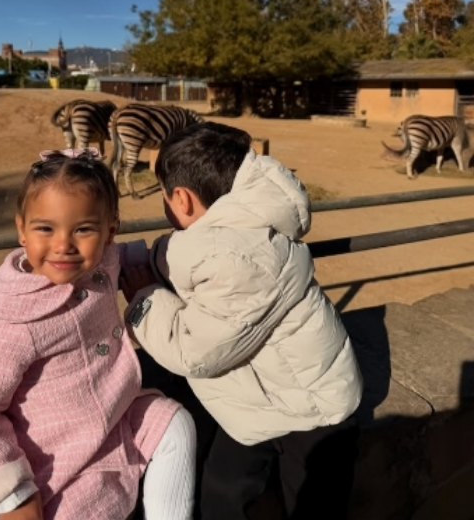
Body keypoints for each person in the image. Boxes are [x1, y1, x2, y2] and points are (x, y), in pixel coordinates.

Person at [121, 122, 363, 520]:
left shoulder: (236, 259)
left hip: (313, 412)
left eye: (164, 195)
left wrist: (143, 299)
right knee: (221, 495)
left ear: (181, 199)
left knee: (312, 507)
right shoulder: (244, 222)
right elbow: (180, 255)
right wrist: (126, 258)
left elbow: (194, 352)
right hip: (263, 400)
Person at [0, 150, 196, 520]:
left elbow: (143, 256)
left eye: (83, 229)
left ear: (110, 230)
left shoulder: (103, 261)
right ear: (22, 229)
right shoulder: (8, 320)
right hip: (61, 467)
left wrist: (201, 252)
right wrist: (12, 497)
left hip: (117, 419)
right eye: (45, 229)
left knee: (174, 423)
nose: (63, 244)